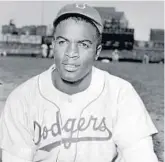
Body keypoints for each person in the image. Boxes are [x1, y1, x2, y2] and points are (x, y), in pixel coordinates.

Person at [0, 3, 158, 162]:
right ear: (53, 45)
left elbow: (140, 155)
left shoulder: (120, 94)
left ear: (97, 52)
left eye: (83, 45)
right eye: (63, 42)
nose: (71, 53)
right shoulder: (22, 99)